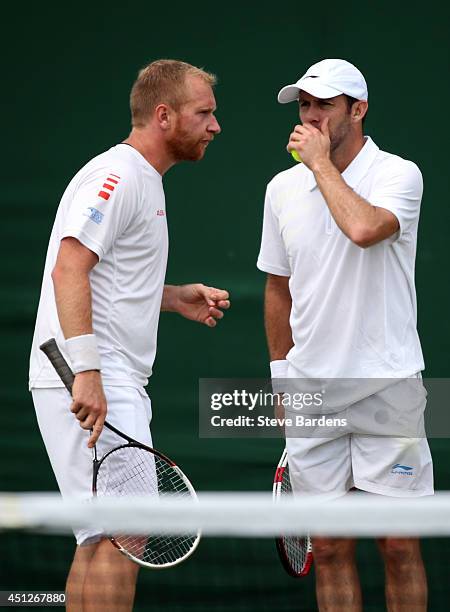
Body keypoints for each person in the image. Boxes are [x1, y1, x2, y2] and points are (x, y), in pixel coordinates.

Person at [29, 59, 229, 612]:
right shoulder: (117, 177)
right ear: (163, 116)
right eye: (204, 113)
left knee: (98, 535)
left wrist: (169, 295)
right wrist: (89, 372)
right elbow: (69, 268)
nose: (216, 126)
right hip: (93, 374)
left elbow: (105, 274)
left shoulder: (141, 180)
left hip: (88, 372)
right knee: (132, 532)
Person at [257, 58, 433, 611]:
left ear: (357, 110)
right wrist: (281, 379)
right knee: (330, 548)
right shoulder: (281, 189)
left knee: (398, 544)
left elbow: (363, 229)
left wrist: (319, 166)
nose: (310, 117)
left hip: (388, 386)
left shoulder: (399, 175)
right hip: (312, 392)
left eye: (323, 105)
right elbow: (278, 291)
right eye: (304, 105)